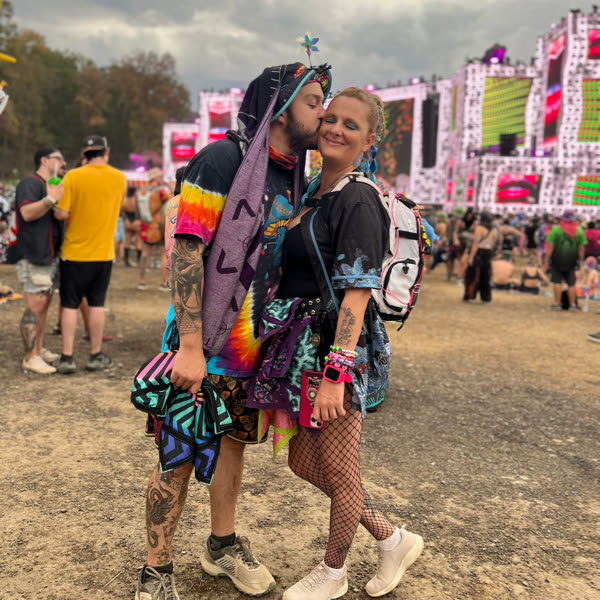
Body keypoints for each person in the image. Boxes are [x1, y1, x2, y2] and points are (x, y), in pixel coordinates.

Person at [135, 62, 333, 600]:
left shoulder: (294, 174)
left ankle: (221, 546)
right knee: (177, 456)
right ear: (280, 107)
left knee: (232, 448)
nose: (322, 113)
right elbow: (186, 252)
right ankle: (156, 573)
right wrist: (190, 348)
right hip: (202, 345)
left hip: (252, 352)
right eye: (313, 102)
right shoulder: (222, 160)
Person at [247, 87, 423, 600]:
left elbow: (357, 295)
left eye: (351, 125)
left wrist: (336, 374)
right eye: (331, 119)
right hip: (302, 346)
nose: (336, 129)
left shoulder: (358, 198)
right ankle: (392, 539)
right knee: (304, 462)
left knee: (343, 472)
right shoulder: (315, 191)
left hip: (338, 352)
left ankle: (333, 571)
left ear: (369, 141)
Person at [54, 135, 127, 373]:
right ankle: (95, 354)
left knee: (69, 304)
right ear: (107, 152)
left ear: (84, 155)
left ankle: (67, 358)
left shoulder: (73, 176)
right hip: (103, 253)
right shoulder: (120, 178)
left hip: (74, 252)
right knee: (97, 303)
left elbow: (61, 213)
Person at [7, 148, 65, 374]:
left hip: (47, 255)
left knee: (44, 304)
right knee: (34, 306)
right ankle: (30, 356)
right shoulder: (30, 183)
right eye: (58, 158)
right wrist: (51, 199)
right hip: (33, 254)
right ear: (44, 160)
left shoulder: (50, 184)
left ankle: (39, 349)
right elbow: (27, 213)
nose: (63, 163)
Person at [136, 168, 172, 291]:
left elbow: (138, 209)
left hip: (145, 226)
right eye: (160, 177)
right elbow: (173, 198)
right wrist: (168, 185)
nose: (162, 179)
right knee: (164, 254)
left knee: (145, 253)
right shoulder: (160, 191)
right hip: (158, 227)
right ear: (155, 178)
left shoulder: (141, 190)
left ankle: (142, 281)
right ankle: (164, 283)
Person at [545, 209, 587, 311]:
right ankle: (572, 305)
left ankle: (557, 304)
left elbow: (550, 247)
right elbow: (581, 249)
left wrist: (547, 260)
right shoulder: (579, 231)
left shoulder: (556, 230)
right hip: (571, 261)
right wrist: (581, 262)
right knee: (571, 283)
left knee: (557, 282)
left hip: (557, 260)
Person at [464, 211, 498, 302]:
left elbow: (476, 244)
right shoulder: (494, 230)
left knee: (473, 275)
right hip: (488, 252)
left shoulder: (479, 228)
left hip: (479, 252)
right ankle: (486, 297)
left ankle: (470, 295)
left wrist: (471, 257)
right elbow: (494, 244)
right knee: (486, 276)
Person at [122, 185, 142, 267]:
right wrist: (139, 220)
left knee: (127, 241)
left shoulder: (126, 202)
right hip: (137, 222)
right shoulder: (137, 202)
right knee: (138, 241)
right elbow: (141, 212)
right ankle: (139, 261)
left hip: (128, 223)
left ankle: (126, 261)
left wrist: (126, 220)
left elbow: (123, 212)